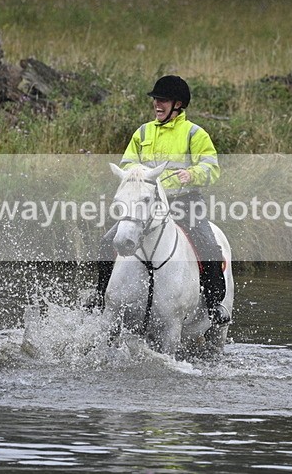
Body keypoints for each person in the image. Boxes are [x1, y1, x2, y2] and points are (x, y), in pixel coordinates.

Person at [94, 75, 230, 324]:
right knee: (107, 242)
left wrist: (192, 174)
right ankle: (99, 297)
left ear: (178, 104)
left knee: (209, 247)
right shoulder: (143, 132)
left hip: (184, 201)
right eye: (156, 99)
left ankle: (214, 306)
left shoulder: (194, 134)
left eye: (163, 100)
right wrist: (140, 175)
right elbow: (127, 163)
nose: (157, 104)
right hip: (145, 204)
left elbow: (212, 168)